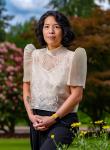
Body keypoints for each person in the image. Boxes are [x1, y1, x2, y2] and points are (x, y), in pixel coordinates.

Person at [23, 10, 87, 150]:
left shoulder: (74, 57)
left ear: (64, 31)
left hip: (63, 121)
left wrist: (53, 119)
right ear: (42, 30)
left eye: (56, 27)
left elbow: (77, 95)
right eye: (46, 26)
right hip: (37, 121)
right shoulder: (33, 55)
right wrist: (31, 115)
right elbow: (27, 87)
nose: (51, 31)